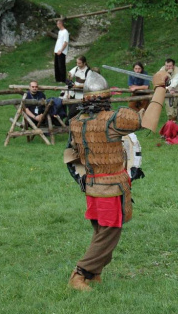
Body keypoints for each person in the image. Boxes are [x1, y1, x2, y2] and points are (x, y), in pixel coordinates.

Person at [64, 70, 169, 291]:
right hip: (111, 188)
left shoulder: (76, 122)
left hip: (92, 186)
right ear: (106, 97)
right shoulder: (114, 118)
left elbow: (72, 156)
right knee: (109, 234)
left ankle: (95, 274)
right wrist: (159, 87)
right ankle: (79, 274)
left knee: (101, 232)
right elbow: (149, 122)